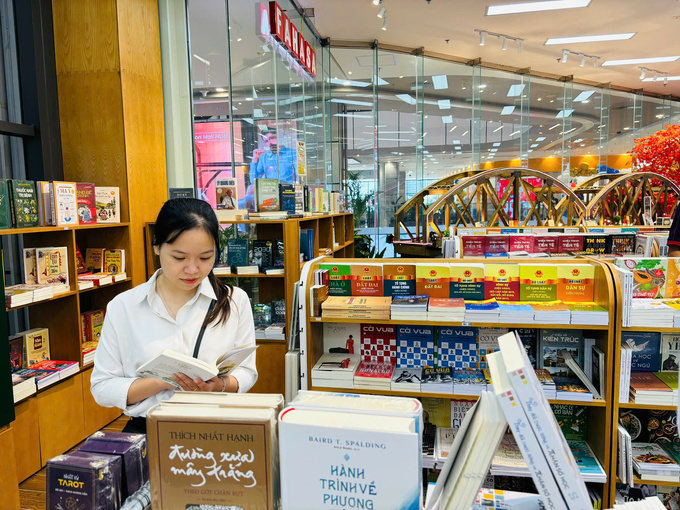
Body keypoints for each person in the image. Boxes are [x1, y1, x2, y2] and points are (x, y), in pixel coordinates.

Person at [91, 198, 258, 433]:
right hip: (148, 432)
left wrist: (219, 385)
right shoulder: (124, 307)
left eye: (205, 258)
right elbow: (102, 387)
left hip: (218, 430)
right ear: (157, 246)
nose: (192, 270)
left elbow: (247, 372)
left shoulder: (234, 301)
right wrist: (163, 381)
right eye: (179, 258)